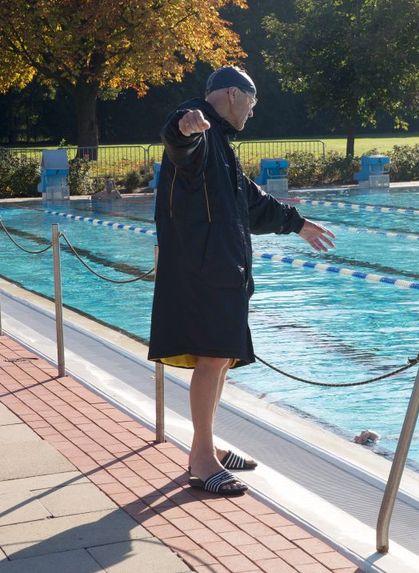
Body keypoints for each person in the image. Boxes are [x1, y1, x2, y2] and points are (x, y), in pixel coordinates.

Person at [148, 66, 335, 496]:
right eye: (251, 102)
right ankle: (201, 460)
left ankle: (206, 444)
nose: (252, 112)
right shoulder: (198, 125)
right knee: (213, 359)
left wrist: (298, 223)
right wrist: (185, 128)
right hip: (205, 271)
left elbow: (249, 199)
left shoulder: (220, 146)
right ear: (233, 94)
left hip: (221, 269)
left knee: (222, 358)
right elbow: (178, 141)